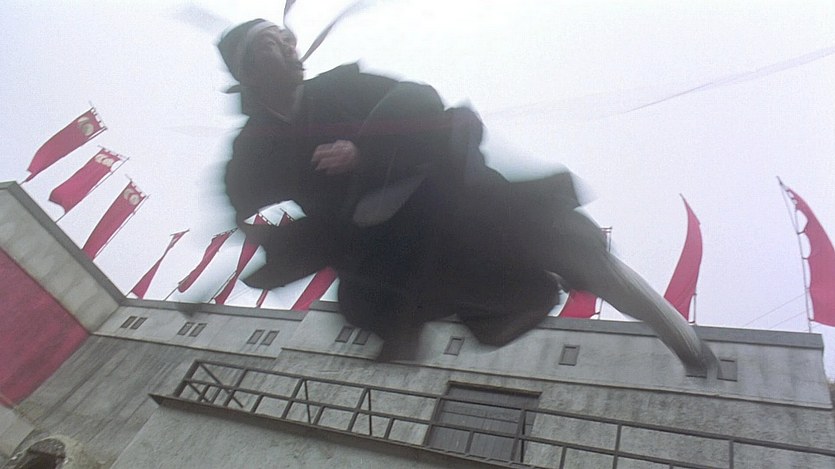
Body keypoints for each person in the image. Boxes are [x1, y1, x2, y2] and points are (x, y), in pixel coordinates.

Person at [216, 19, 717, 376]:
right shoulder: (254, 147)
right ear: (249, 74)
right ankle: (408, 322)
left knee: (568, 244)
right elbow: (241, 206)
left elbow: (421, 101)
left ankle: (684, 340)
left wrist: (364, 150)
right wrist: (278, 240)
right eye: (270, 45)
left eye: (286, 38)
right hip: (387, 244)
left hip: (445, 196)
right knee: (412, 293)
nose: (287, 48)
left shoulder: (344, 85)